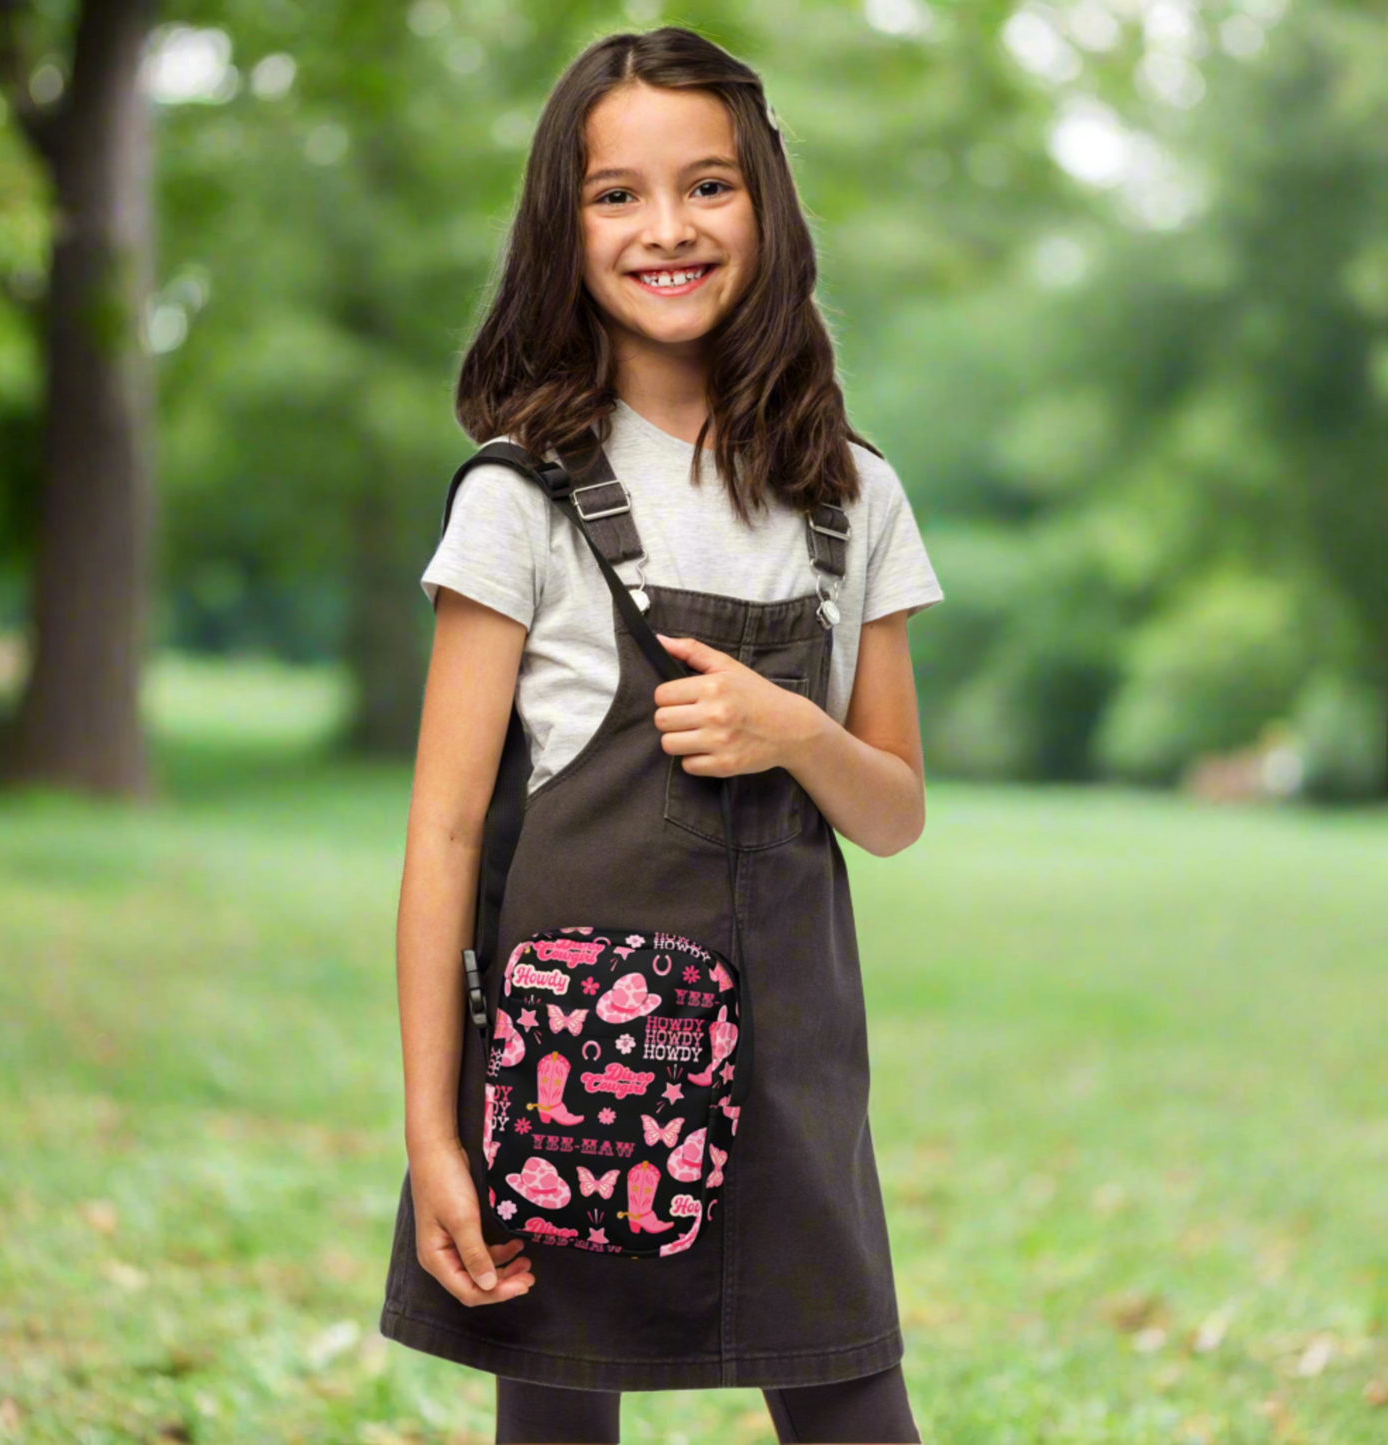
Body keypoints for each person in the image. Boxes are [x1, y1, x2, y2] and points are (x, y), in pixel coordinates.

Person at [377, 25, 943, 1445]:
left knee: (856, 1409)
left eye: (708, 186)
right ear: (562, 231)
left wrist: (792, 730)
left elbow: (894, 811)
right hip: (572, 1071)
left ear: (766, 205)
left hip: (794, 1077)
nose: (667, 228)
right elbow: (444, 832)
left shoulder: (853, 493)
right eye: (616, 195)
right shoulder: (517, 498)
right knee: (558, 1419)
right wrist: (435, 1133)